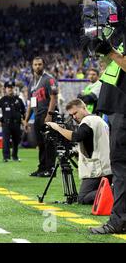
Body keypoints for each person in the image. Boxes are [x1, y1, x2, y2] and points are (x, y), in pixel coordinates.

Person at [87, 40, 126, 234]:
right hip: (118, 110)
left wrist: (109, 51)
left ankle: (119, 221)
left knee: (121, 168)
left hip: (123, 111)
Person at [46, 99, 112, 205]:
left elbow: (77, 137)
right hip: (106, 167)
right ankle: (114, 190)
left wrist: (57, 128)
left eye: (75, 113)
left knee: (83, 198)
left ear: (83, 107)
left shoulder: (88, 120)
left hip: (98, 170)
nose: (74, 117)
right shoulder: (98, 120)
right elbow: (89, 143)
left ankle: (115, 192)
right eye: (71, 115)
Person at [24, 57, 59, 177]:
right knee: (41, 143)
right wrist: (26, 119)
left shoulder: (49, 79)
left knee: (49, 142)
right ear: (32, 66)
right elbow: (30, 103)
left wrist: (50, 114)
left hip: (47, 114)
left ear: (43, 65)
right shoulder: (31, 84)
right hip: (38, 115)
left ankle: (50, 169)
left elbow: (54, 97)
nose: (37, 66)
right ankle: (42, 167)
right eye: (35, 64)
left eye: (39, 64)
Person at [0, 81, 26, 162]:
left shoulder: (19, 99)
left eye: (11, 87)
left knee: (16, 141)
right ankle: (6, 157)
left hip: (17, 124)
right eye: (8, 87)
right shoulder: (2, 100)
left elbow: (24, 111)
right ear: (5, 89)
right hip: (6, 123)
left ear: (14, 88)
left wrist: (24, 120)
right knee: (6, 141)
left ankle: (15, 156)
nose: (10, 89)